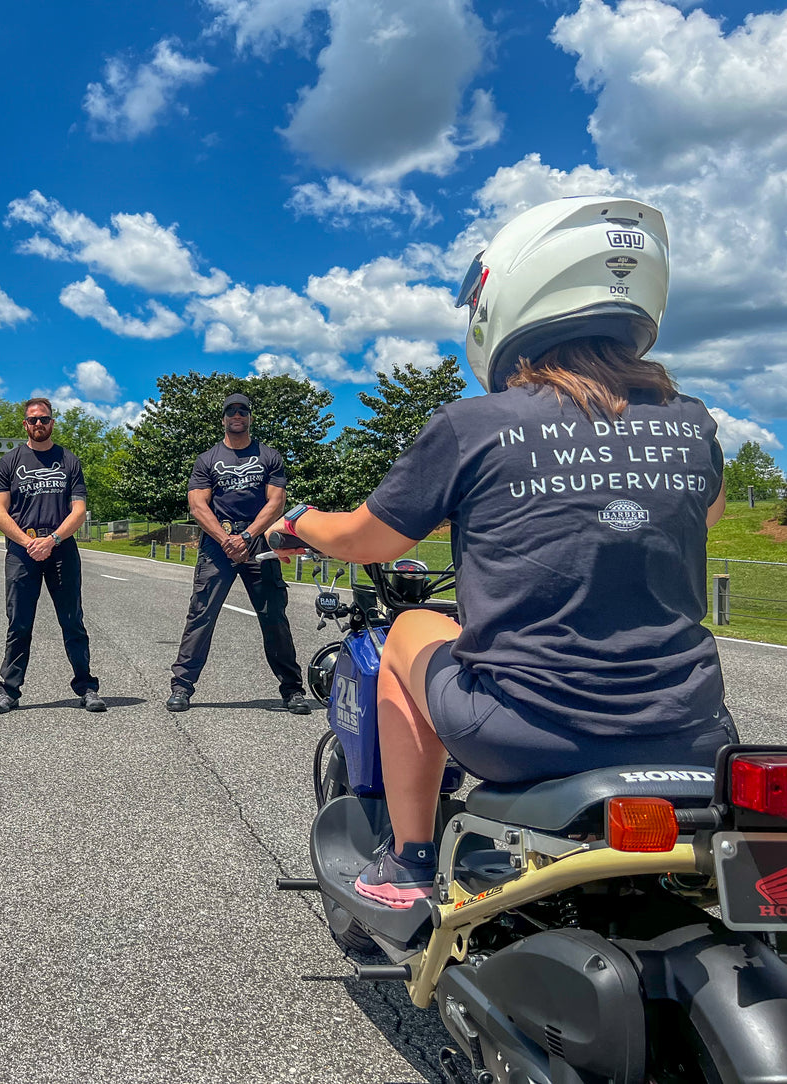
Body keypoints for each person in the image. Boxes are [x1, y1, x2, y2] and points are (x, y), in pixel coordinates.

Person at [269, 196, 735, 908]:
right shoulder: (691, 423)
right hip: (693, 729)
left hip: (529, 732)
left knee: (409, 632)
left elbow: (368, 538)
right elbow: (699, 516)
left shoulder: (473, 423)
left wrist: (297, 519)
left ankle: (408, 860)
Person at [166, 392, 311, 715]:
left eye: (242, 411)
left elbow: (276, 501)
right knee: (201, 614)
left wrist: (247, 536)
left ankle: (292, 690)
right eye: (231, 411)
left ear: (249, 417)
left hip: (257, 539)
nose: (237, 416)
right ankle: (181, 687)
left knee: (274, 616)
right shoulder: (207, 459)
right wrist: (225, 538)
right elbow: (197, 504)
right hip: (217, 542)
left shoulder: (268, 456)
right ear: (223, 419)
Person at [0, 397, 104, 715]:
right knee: (19, 624)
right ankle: (9, 692)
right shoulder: (9, 462)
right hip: (22, 552)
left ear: (53, 422)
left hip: (61, 549)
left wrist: (52, 539)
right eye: (33, 420)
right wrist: (29, 543)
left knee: (72, 621)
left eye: (45, 419)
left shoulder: (69, 461)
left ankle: (87, 688)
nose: (39, 424)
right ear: (24, 424)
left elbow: (78, 511)